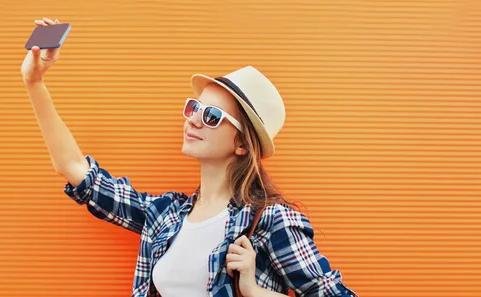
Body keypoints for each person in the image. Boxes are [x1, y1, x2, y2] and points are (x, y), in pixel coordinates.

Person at [21, 17, 358, 297]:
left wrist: (255, 291)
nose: (193, 119)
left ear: (242, 143)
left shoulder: (269, 221)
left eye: (211, 115)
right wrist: (34, 82)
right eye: (194, 107)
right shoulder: (164, 216)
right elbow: (75, 169)